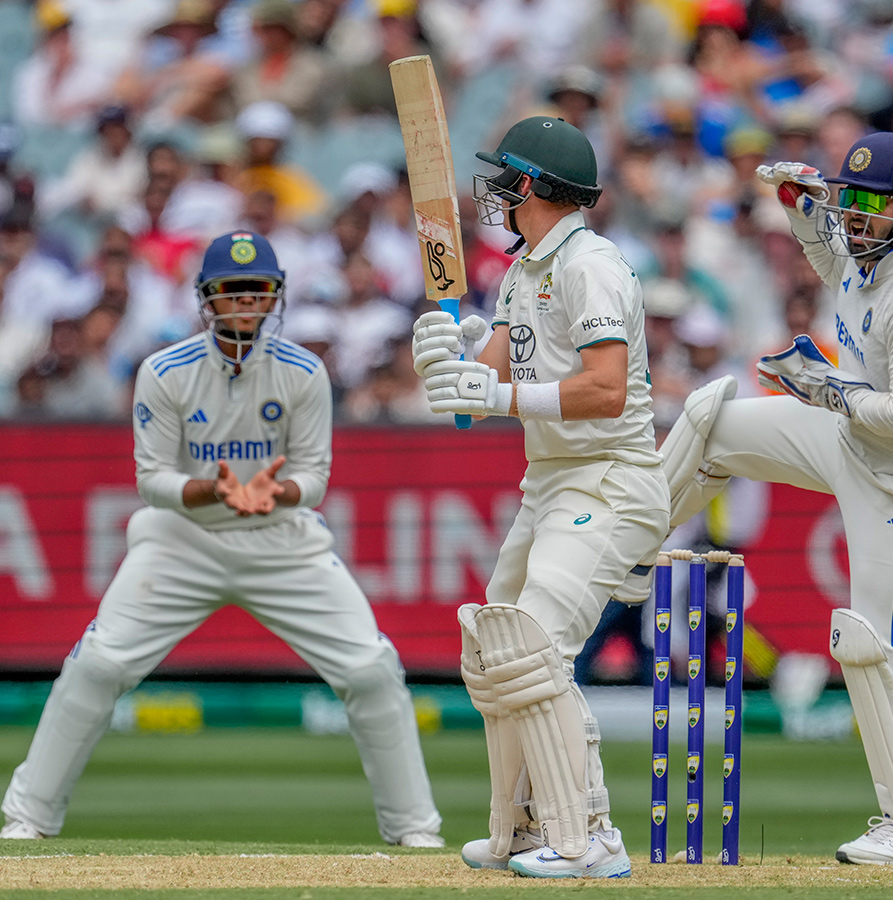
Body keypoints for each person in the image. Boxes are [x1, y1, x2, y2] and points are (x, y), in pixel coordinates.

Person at [0, 231, 443, 848]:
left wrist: (274, 495)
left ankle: (413, 831)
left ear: (274, 297)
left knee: (372, 670)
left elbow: (313, 477)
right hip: (183, 539)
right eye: (230, 291)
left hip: (280, 540)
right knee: (98, 664)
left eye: (256, 291)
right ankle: (28, 818)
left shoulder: (304, 373)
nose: (243, 303)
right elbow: (152, 480)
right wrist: (213, 492)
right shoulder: (164, 370)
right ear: (206, 298)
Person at [659, 131, 893, 865]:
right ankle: (634, 545)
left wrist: (824, 385)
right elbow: (834, 260)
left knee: (872, 646)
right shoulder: (867, 257)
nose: (856, 214)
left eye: (871, 202)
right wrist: (802, 208)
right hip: (844, 435)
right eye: (850, 198)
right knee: (709, 421)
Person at [410, 115, 668, 878]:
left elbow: (608, 391)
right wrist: (442, 361)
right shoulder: (521, 271)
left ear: (531, 186)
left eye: (503, 181)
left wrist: (497, 394)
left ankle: (588, 838)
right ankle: (520, 828)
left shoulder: (591, 265)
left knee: (537, 644)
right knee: (496, 651)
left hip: (612, 478)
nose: (493, 194)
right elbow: (471, 401)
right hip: (551, 483)